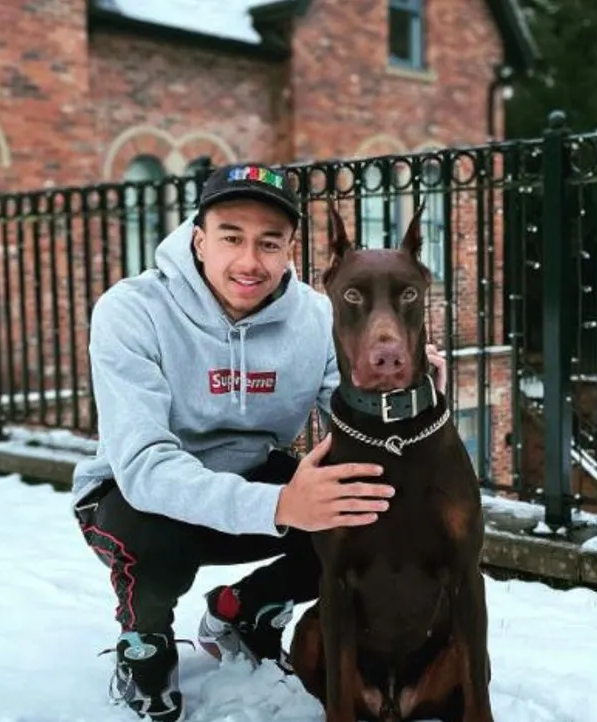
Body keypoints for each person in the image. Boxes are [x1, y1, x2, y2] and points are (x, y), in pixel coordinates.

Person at [71, 162, 447, 721]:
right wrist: (279, 505)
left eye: (269, 243)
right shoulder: (132, 311)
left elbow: (347, 416)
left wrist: (409, 396)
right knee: (150, 535)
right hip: (130, 497)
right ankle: (143, 646)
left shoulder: (315, 318)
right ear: (199, 240)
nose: (250, 261)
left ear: (290, 250)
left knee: (361, 507)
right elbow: (143, 467)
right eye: (231, 238)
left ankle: (242, 608)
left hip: (252, 475)